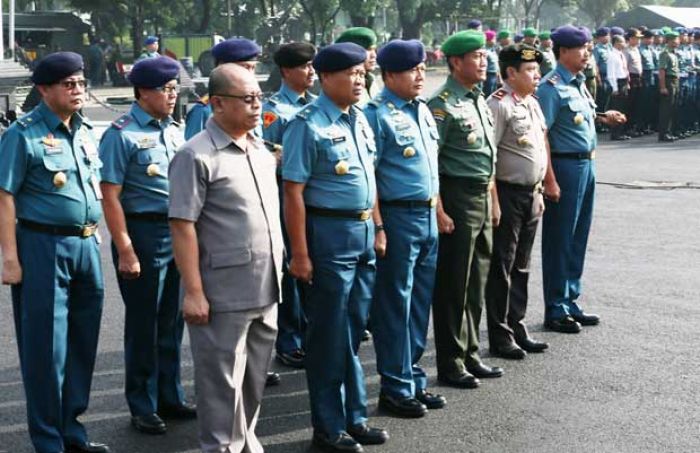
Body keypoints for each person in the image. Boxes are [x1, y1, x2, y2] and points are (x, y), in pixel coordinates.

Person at [168, 63, 284, 453]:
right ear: (217, 103)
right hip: (222, 293)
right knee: (221, 387)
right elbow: (183, 226)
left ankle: (242, 440)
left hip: (266, 287)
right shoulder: (195, 155)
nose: (256, 106)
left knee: (252, 381)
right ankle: (221, 447)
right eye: (247, 99)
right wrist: (193, 292)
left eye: (259, 98)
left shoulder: (260, 150)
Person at [0, 52, 109, 453]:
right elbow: (4, 197)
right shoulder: (22, 134)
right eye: (69, 84)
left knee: (82, 344)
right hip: (43, 246)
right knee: (47, 348)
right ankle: (48, 440)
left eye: (81, 83)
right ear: (44, 89)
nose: (78, 90)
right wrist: (10, 258)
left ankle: (72, 431)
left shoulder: (83, 131)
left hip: (85, 244)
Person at [283, 42, 388, 452]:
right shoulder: (306, 125)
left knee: (352, 331)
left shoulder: (359, 120)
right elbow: (293, 192)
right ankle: (328, 427)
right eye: (351, 74)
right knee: (327, 336)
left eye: (362, 74)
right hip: (327, 237)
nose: (359, 81)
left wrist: (378, 226)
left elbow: (370, 178)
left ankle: (354, 416)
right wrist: (301, 253)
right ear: (326, 78)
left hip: (361, 235)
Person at [99, 56, 195, 436]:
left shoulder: (174, 130)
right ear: (142, 93)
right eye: (164, 90)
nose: (171, 96)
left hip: (176, 232)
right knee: (144, 324)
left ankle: (169, 394)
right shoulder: (120, 135)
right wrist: (124, 247)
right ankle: (142, 403)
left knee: (172, 319)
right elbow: (110, 195)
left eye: (174, 90)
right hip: (142, 232)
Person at [363, 39, 445, 419]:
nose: (420, 76)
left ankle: (412, 378)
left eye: (423, 69)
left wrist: (439, 211)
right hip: (397, 217)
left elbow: (431, 168)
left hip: (426, 216)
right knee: (395, 303)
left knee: (418, 303)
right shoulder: (375, 114)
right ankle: (394, 387)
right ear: (390, 74)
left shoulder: (422, 110)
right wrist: (379, 226)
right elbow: (371, 178)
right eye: (413, 70)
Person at [536, 25, 626, 334]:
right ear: (563, 52)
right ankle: (556, 307)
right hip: (564, 167)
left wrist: (603, 117)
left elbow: (574, 118)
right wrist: (549, 179)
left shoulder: (578, 84)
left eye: (588, 48)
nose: (587, 54)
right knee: (560, 238)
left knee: (578, 237)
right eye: (582, 49)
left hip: (586, 165)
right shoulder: (550, 86)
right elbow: (542, 135)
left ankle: (571, 299)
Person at [428, 30, 503, 390]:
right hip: (456, 196)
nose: (484, 61)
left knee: (477, 281)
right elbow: (434, 164)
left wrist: (494, 200)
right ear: (456, 62)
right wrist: (440, 210)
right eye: (476, 56)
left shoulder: (477, 100)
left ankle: (472, 352)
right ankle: (451, 360)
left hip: (482, 195)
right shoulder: (441, 105)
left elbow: (488, 158)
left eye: (485, 55)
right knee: (454, 283)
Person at [485, 44, 550, 360]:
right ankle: (500, 333)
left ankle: (517, 323)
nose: (536, 75)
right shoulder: (498, 105)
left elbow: (540, 146)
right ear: (511, 73)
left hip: (530, 194)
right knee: (503, 266)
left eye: (536, 70)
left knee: (522, 264)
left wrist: (541, 188)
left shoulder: (532, 103)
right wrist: (494, 202)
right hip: (508, 194)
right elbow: (489, 158)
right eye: (529, 70)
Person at [262, 42, 317, 369]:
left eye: (312, 66)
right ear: (285, 71)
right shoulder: (273, 109)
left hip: (316, 194)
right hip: (285, 191)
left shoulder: (317, 104)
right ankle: (289, 339)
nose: (311, 72)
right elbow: (264, 151)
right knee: (289, 268)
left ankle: (312, 331)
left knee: (315, 265)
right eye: (304, 67)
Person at [185, 38, 261, 140]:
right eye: (245, 67)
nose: (250, 74)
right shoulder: (203, 111)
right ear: (223, 69)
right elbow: (191, 150)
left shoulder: (255, 105)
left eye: (253, 68)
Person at [336, 27, 380, 107]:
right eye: (368, 50)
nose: (374, 55)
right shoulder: (344, 85)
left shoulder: (371, 80)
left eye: (374, 50)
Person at [658, 30, 681, 142]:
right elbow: (662, 71)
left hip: (675, 81)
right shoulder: (665, 54)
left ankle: (669, 131)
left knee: (672, 108)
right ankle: (663, 134)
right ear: (670, 41)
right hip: (668, 81)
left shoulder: (674, 53)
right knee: (666, 109)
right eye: (676, 40)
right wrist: (663, 87)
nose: (678, 41)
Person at [607, 35, 630, 141]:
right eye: (622, 42)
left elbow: (624, 69)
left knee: (623, 109)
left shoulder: (621, 54)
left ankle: (621, 132)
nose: (624, 44)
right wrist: (615, 88)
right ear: (616, 43)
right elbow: (611, 74)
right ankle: (615, 133)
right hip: (618, 83)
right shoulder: (612, 55)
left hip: (624, 82)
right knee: (617, 110)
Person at [624, 28, 644, 137]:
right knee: (630, 104)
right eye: (637, 38)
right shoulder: (626, 50)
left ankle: (634, 127)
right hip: (631, 78)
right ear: (631, 38)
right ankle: (627, 128)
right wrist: (628, 80)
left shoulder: (636, 49)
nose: (639, 41)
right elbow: (625, 66)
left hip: (638, 78)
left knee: (637, 104)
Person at [484, 30, 500, 96]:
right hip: (488, 75)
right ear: (488, 40)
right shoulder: (485, 51)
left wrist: (499, 77)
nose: (495, 40)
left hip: (495, 75)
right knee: (488, 94)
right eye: (494, 38)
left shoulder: (493, 50)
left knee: (494, 93)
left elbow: (496, 65)